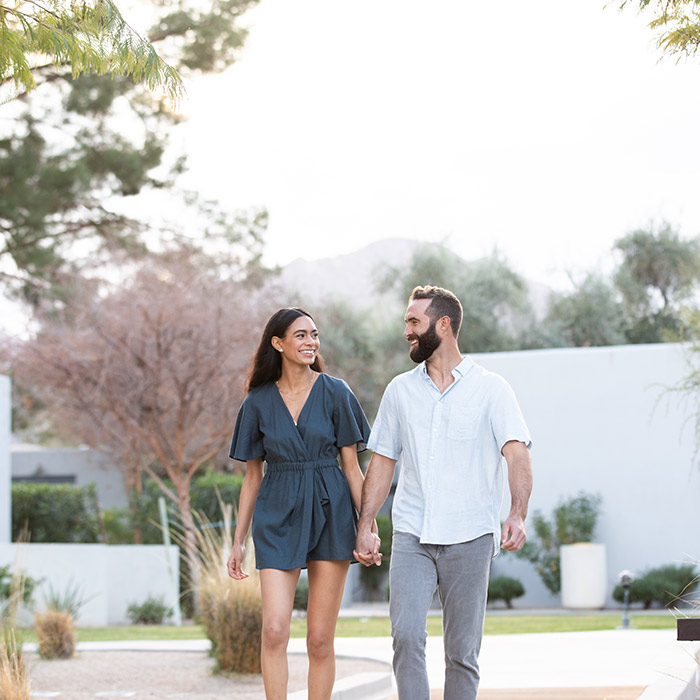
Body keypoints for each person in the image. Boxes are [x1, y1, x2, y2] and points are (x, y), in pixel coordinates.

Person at [354, 285, 533, 700]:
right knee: (406, 637)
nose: (407, 331)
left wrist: (517, 512)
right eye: (406, 323)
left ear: (443, 324)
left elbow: (516, 452)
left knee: (462, 653)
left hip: (470, 536)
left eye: (414, 322)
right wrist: (366, 523)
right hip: (413, 534)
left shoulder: (491, 388)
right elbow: (382, 462)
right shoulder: (400, 390)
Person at [227, 307, 372, 700]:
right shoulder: (257, 403)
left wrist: (367, 528)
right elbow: (252, 477)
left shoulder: (336, 392)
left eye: (314, 335)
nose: (311, 342)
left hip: (332, 510)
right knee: (274, 629)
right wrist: (238, 541)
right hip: (277, 515)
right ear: (278, 343)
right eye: (301, 335)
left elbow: (352, 468)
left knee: (320, 640)